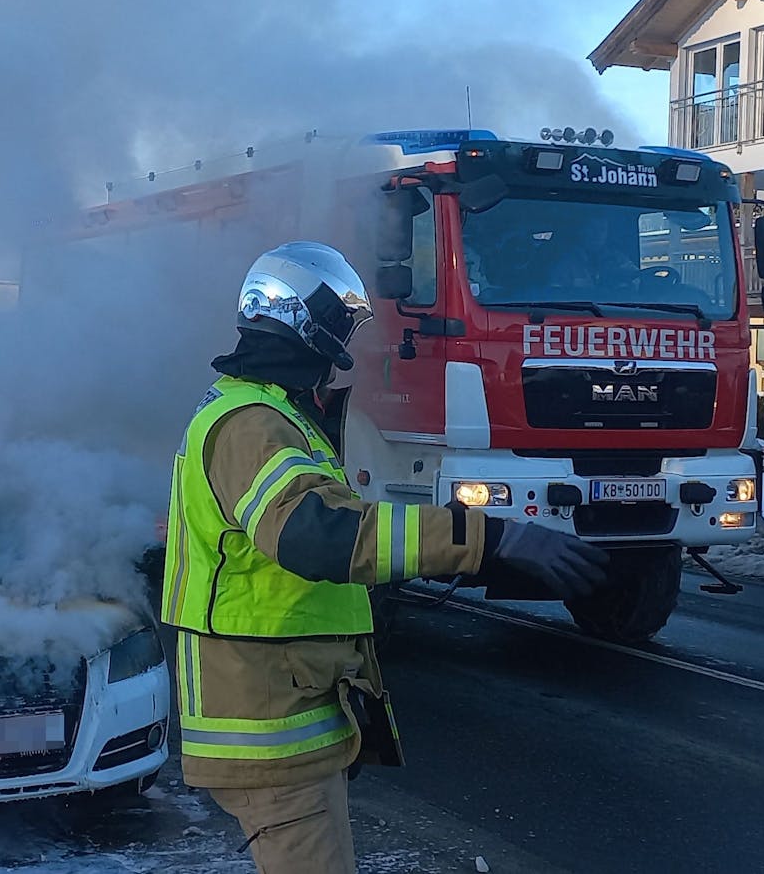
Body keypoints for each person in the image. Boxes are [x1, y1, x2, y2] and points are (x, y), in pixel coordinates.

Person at [163, 242, 608, 873]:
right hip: (269, 732)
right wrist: (489, 539)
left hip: (286, 715)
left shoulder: (270, 413)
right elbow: (322, 536)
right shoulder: (251, 424)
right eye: (342, 323)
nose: (347, 340)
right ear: (307, 323)